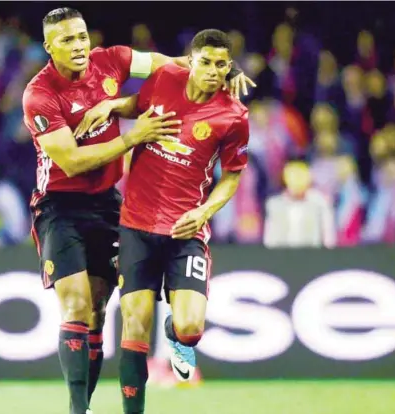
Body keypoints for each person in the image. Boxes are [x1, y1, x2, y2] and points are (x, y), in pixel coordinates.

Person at [22, 8, 255, 414]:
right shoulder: (40, 94)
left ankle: (95, 398)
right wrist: (135, 137)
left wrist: (220, 74)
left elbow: (178, 63)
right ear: (49, 47)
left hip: (110, 202)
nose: (78, 47)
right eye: (66, 40)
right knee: (77, 303)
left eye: (81, 37)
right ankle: (80, 409)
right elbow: (73, 161)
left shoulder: (112, 59)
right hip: (60, 203)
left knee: (97, 306)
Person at [82, 29, 250, 413]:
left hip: (184, 231)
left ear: (228, 68)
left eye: (220, 65)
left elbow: (233, 176)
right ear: (190, 61)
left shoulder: (234, 116)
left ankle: (176, 338)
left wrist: (203, 211)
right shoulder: (164, 78)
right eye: (204, 62)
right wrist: (110, 106)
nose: (212, 71)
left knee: (191, 328)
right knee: (134, 324)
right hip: (136, 224)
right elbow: (138, 105)